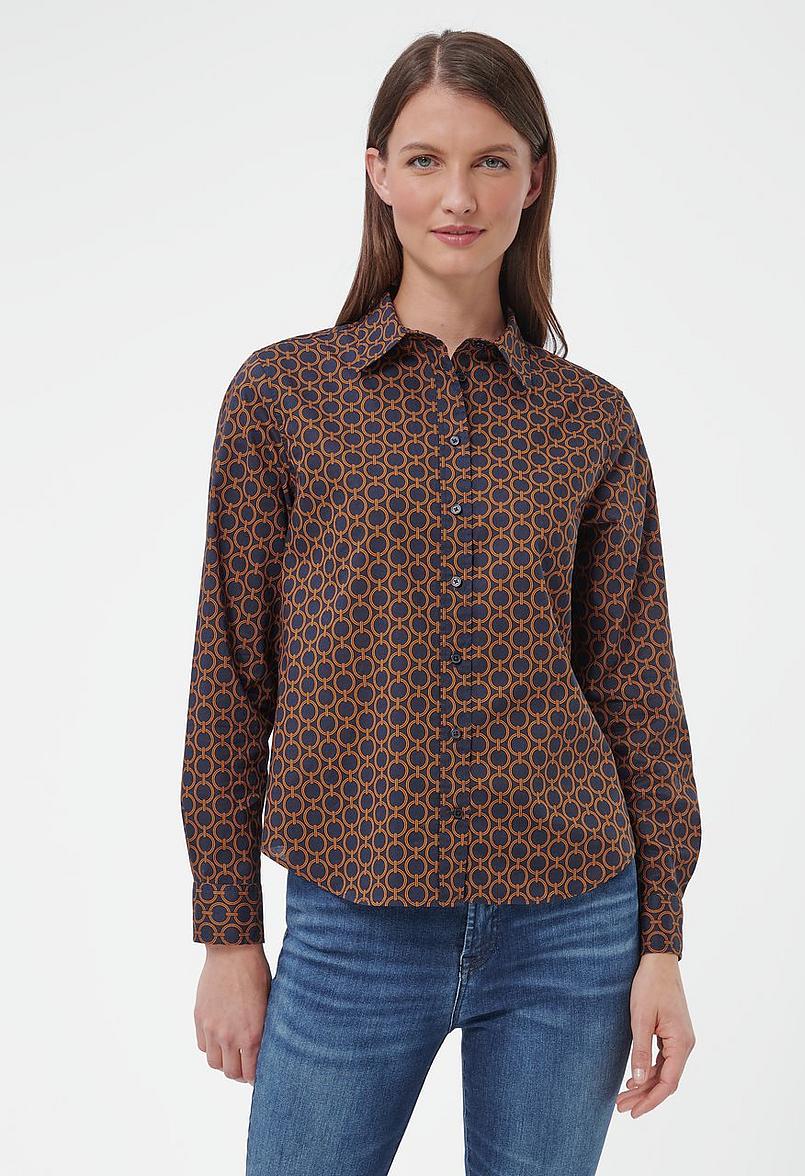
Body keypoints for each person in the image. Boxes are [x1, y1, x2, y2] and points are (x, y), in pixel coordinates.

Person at [180, 28, 702, 1176]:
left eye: (490, 161)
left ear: (535, 178)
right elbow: (231, 675)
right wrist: (228, 931)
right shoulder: (283, 397)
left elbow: (636, 687)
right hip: (352, 922)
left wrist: (661, 941)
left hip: (572, 923)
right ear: (377, 173)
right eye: (424, 160)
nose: (457, 196)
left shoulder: (592, 420)